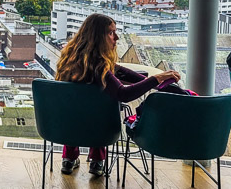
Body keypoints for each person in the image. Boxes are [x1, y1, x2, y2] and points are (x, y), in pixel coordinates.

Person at [55, 13, 180, 177]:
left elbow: (134, 77)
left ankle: (69, 158)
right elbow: (124, 94)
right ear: (98, 37)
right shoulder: (99, 67)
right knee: (101, 107)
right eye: (111, 33)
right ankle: (97, 160)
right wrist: (158, 79)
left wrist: (160, 82)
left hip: (63, 128)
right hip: (99, 131)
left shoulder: (68, 60)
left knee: (77, 106)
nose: (117, 37)